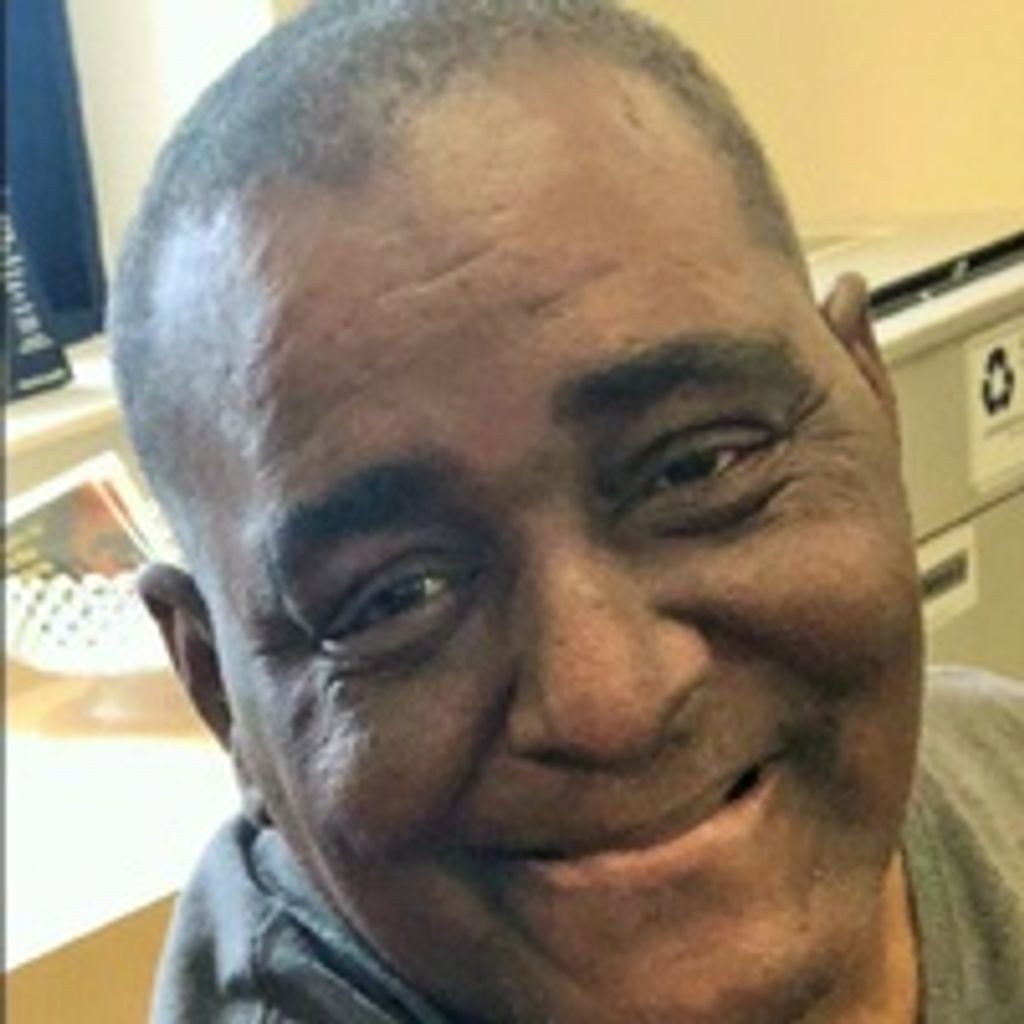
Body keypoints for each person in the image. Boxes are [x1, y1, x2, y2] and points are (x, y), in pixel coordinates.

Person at [109, 1, 1024, 1021]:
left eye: (694, 468)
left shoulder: (993, 761)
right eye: (396, 595)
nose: (609, 702)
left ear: (872, 406)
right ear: (219, 692)